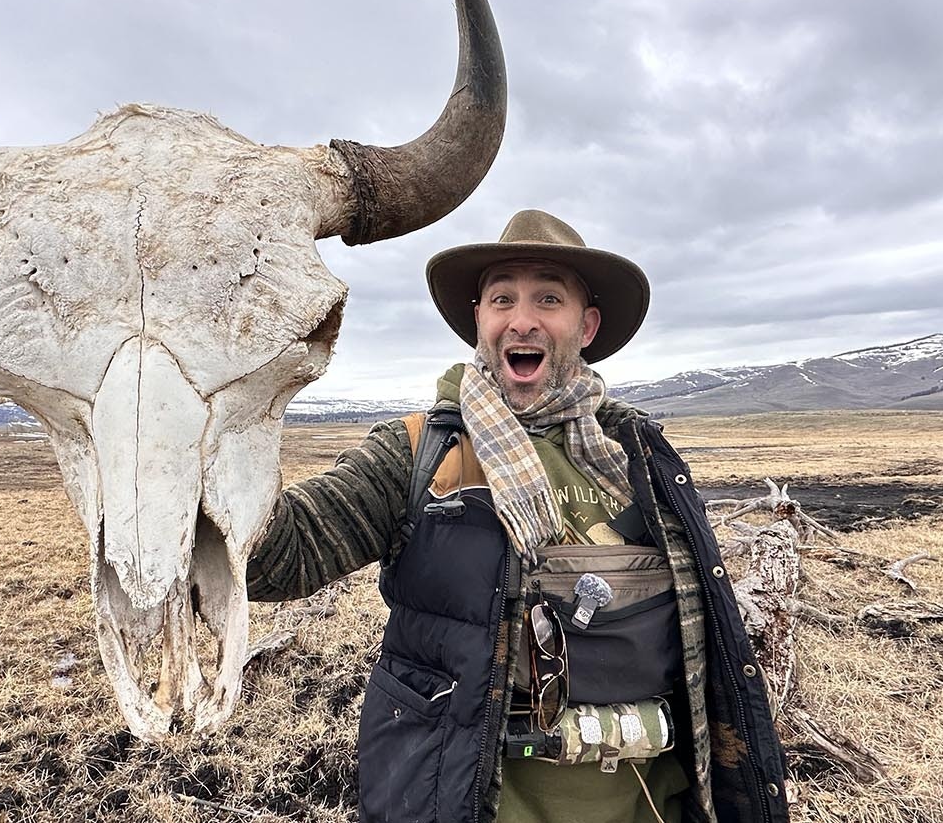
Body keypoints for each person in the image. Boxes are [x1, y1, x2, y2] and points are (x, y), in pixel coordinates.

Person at [247, 210, 789, 823]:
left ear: (586, 325)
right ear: (478, 320)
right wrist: (229, 416)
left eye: (548, 298)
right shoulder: (421, 453)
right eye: (502, 297)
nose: (521, 318)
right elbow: (275, 561)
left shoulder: (640, 457)